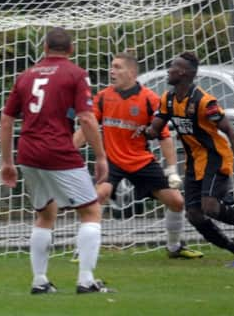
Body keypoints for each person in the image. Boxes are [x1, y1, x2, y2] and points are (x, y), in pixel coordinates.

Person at [0, 26, 114, 294]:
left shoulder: (26, 75)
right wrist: (100, 156)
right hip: (58, 151)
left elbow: (6, 120)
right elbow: (86, 118)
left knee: (45, 214)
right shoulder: (76, 74)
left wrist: (7, 162)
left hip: (28, 152)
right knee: (91, 211)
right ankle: (86, 280)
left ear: (45, 48)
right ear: (71, 49)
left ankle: (39, 281)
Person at [135, 52, 234, 267]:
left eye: (173, 67)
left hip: (215, 157)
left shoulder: (205, 102)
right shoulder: (168, 99)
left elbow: (232, 133)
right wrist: (144, 131)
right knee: (194, 215)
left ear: (184, 73)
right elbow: (155, 130)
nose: (168, 71)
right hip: (193, 161)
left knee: (210, 206)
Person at [73, 52, 203, 260]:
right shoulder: (104, 97)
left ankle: (174, 246)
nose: (112, 71)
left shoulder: (150, 99)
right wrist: (69, 151)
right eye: (112, 67)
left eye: (117, 67)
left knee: (177, 202)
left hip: (141, 161)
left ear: (132, 72)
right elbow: (86, 128)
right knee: (98, 197)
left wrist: (171, 170)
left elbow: (164, 137)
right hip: (113, 161)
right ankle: (82, 250)